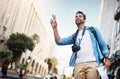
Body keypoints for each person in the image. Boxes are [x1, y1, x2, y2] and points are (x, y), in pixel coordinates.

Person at [50, 11, 111, 79]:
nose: (78, 17)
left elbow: (102, 43)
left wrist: (107, 58)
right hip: (78, 64)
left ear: (84, 19)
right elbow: (59, 42)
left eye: (80, 16)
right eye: (76, 16)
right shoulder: (74, 35)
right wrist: (55, 28)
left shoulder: (93, 30)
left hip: (93, 63)